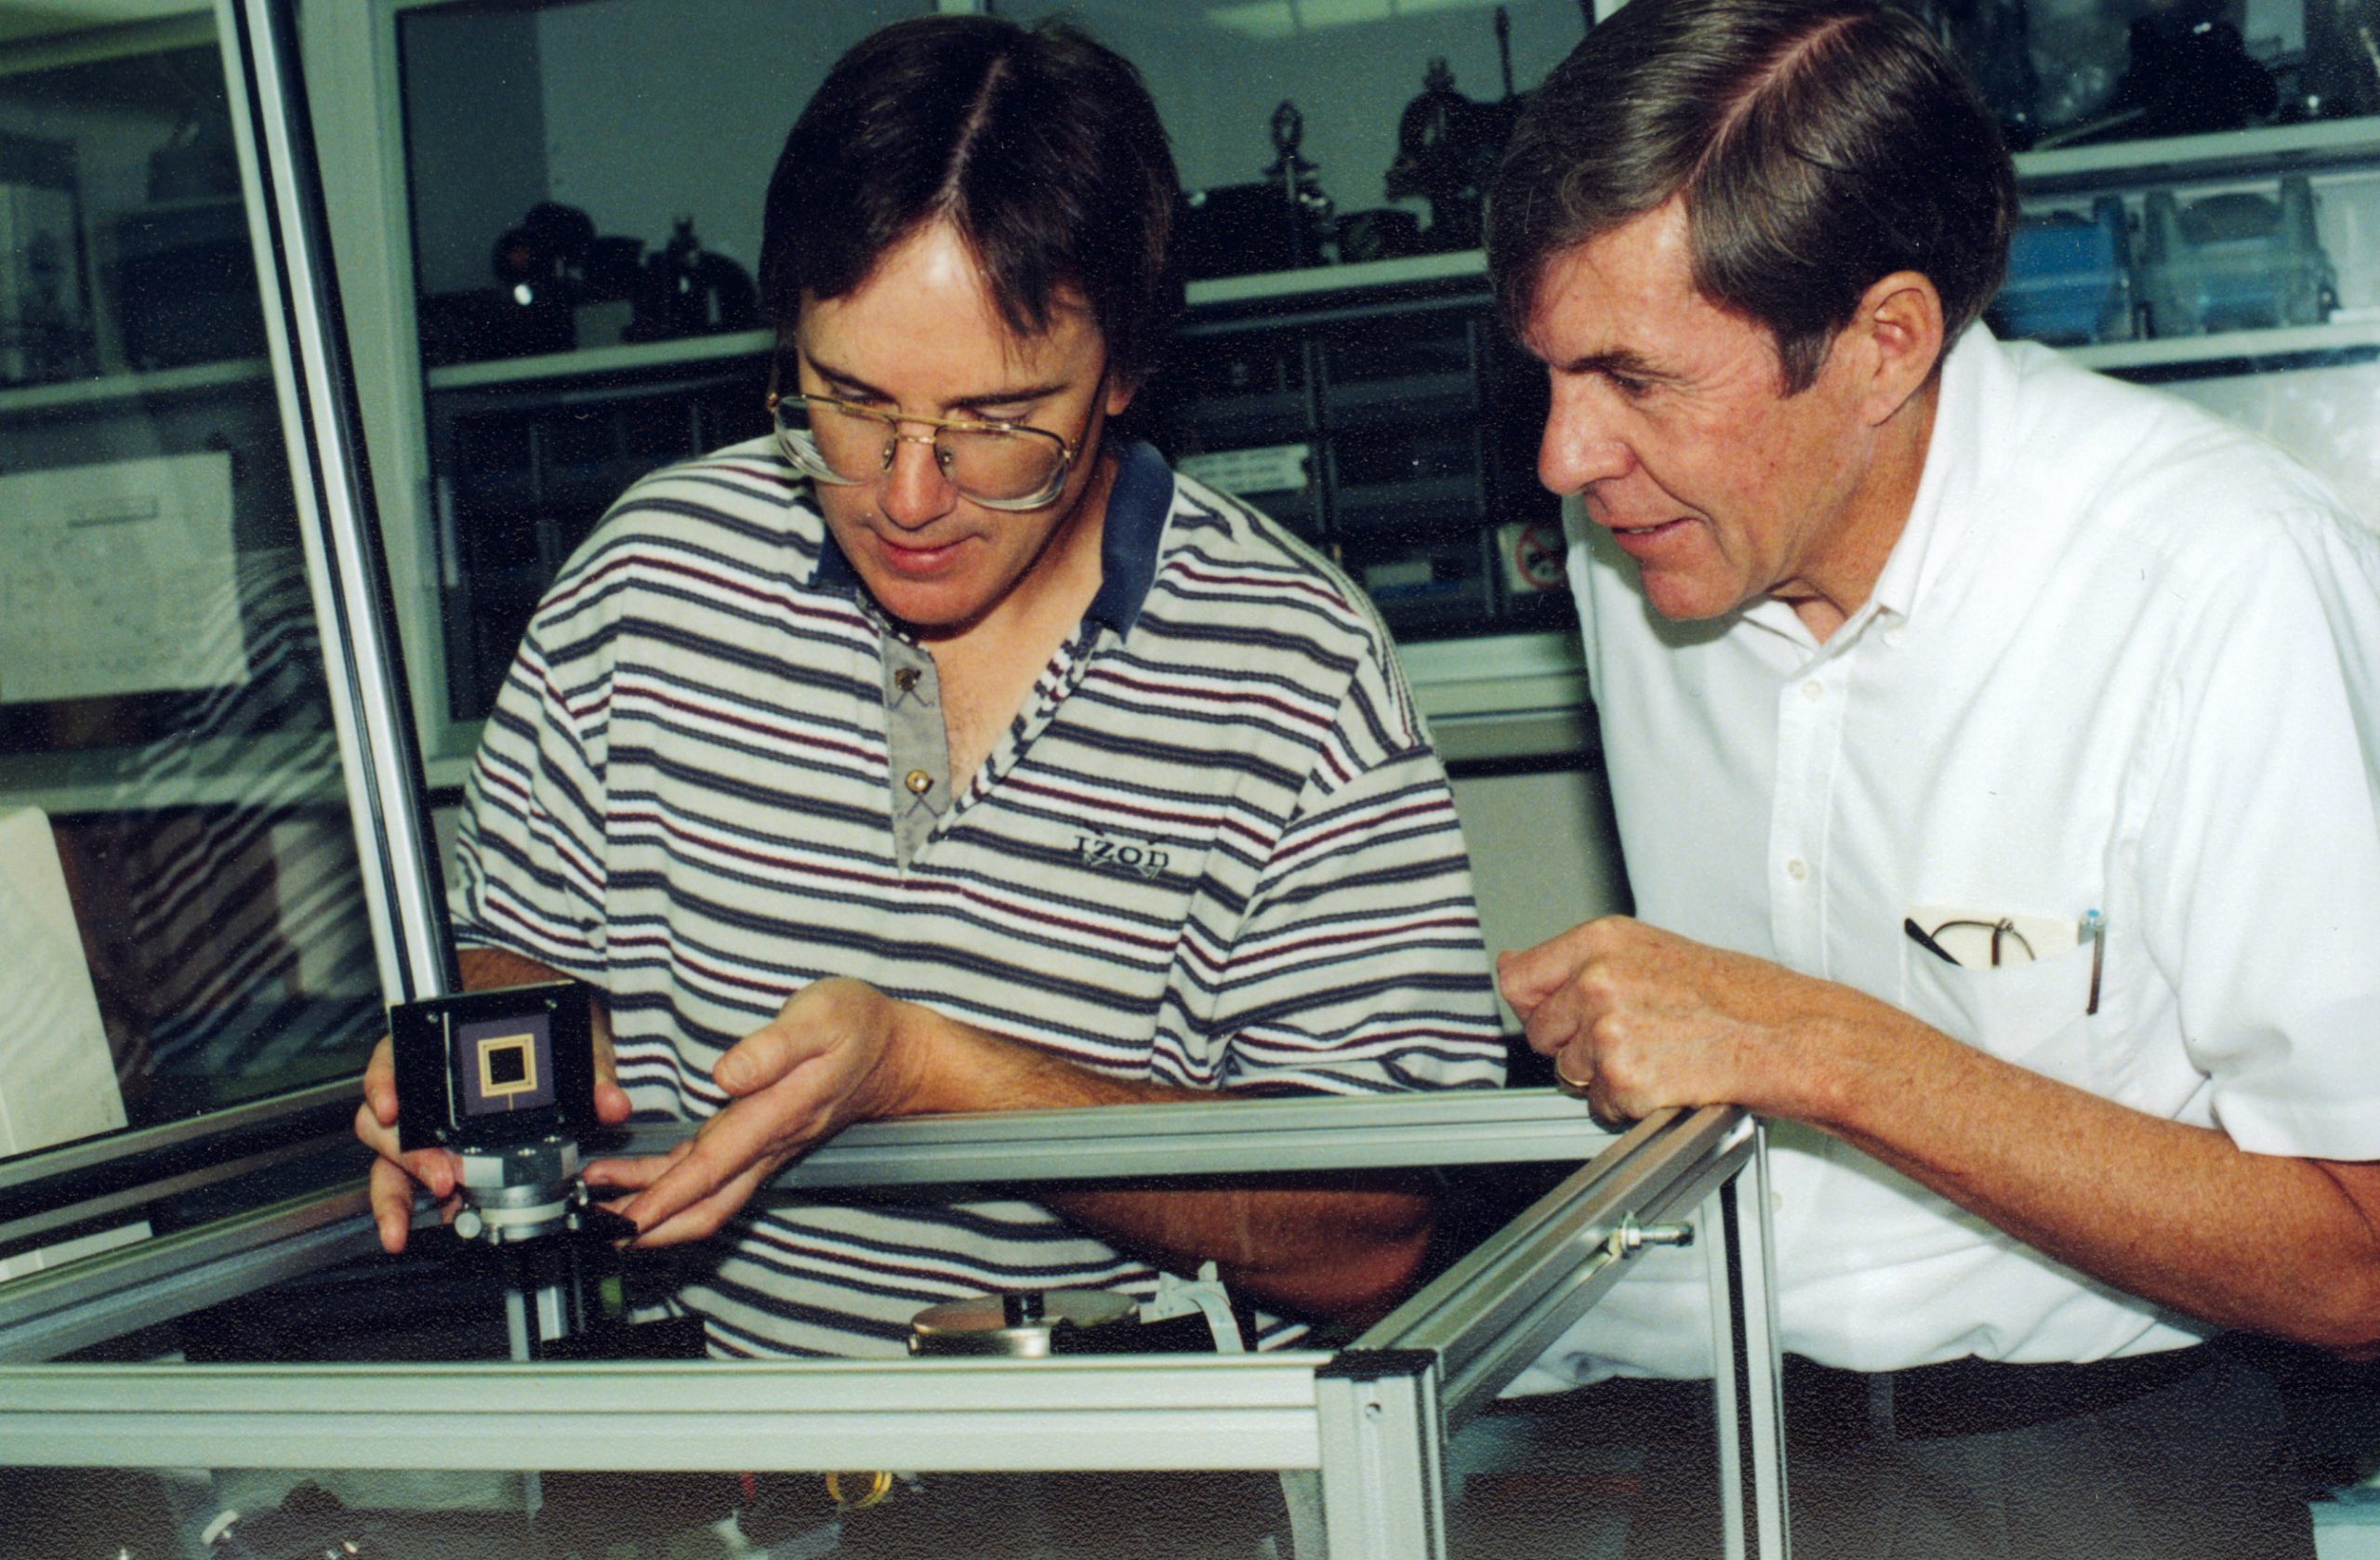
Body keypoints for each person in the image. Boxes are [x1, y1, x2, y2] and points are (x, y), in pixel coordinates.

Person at [355, 14, 1504, 1358]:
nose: (907, 496)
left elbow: (1375, 1237)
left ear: (1125, 371)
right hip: (742, 1448)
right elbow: (512, 955)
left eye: (995, 422)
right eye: (848, 401)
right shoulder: (645, 585)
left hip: (1148, 1460)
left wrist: (942, 1075)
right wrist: (484, 1067)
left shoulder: (1295, 666)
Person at [1483, 0, 2380, 1552]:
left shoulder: (2216, 582)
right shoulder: (1635, 535)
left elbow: (2362, 1257)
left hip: (2096, 1465)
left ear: (1885, 342)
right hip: (1716, 1449)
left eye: (1635, 377)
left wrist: (1823, 1049)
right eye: (1551, 374)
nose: (1565, 456)